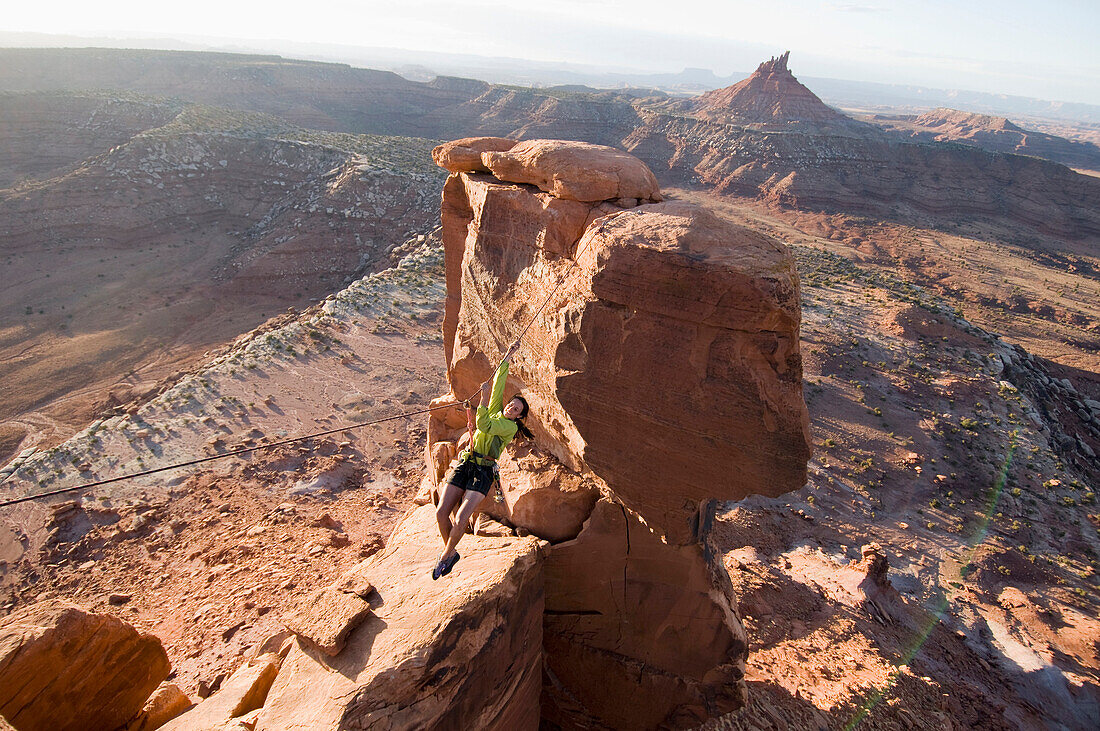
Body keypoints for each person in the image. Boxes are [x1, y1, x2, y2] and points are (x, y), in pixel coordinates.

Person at [433, 341, 531, 580]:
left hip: (483, 471)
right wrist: (508, 356)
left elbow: (484, 424)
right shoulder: (500, 410)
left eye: (516, 409)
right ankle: (450, 553)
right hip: (467, 462)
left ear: (518, 418)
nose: (511, 407)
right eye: (512, 404)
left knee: (460, 518)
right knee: (440, 513)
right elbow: (498, 386)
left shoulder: (507, 427)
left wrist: (484, 399)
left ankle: (445, 557)